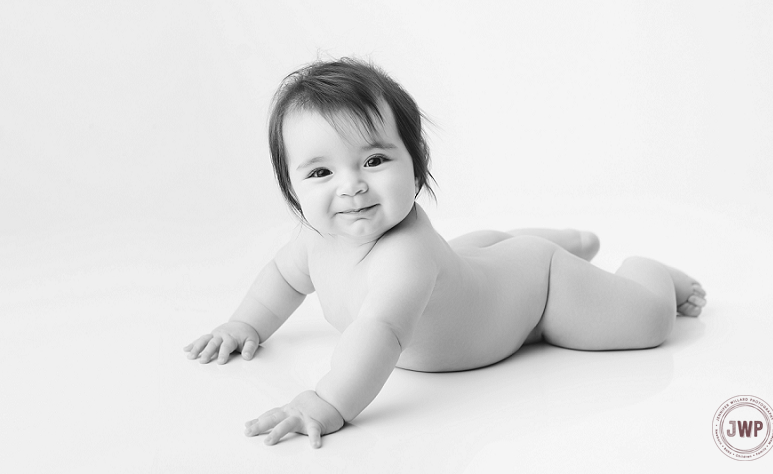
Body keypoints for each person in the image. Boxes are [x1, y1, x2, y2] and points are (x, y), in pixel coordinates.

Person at [184, 58, 707, 448]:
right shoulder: (316, 240)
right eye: (321, 172)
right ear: (292, 187)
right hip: (476, 273)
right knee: (471, 260)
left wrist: (326, 400)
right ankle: (562, 239)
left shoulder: (405, 258)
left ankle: (647, 272)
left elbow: (382, 333)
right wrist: (245, 324)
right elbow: (283, 277)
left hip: (538, 294)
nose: (351, 187)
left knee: (650, 323)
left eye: (373, 159)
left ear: (415, 165)